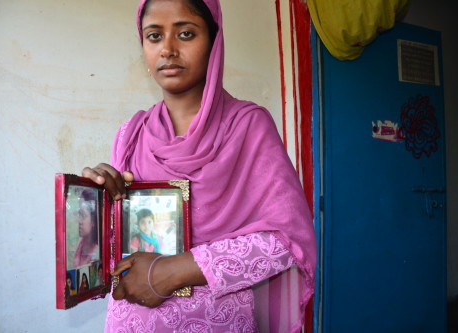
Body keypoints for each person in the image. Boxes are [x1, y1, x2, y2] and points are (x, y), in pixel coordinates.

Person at [82, 0, 316, 331]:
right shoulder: (130, 134)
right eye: (153, 36)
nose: (167, 49)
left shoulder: (247, 126)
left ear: (213, 42)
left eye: (186, 33)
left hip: (215, 320)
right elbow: (117, 250)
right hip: (134, 319)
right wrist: (97, 204)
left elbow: (287, 240)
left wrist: (174, 270)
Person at [72, 188, 100, 267]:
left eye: (83, 215)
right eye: (79, 214)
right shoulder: (78, 246)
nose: (79, 221)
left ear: (93, 221)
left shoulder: (98, 253)